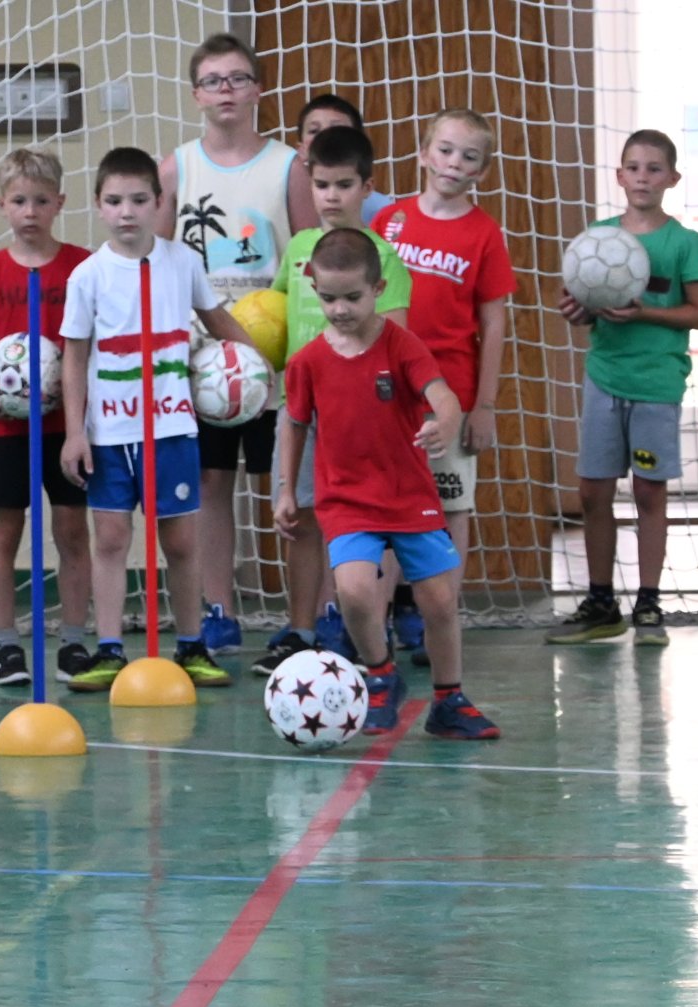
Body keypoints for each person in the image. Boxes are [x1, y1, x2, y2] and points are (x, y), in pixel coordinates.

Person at [277, 229, 500, 740]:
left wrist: (445, 421)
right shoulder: (308, 361)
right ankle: (380, 674)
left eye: (351, 297)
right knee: (355, 592)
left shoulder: (402, 345)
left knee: (440, 601)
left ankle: (449, 699)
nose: (339, 309)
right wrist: (288, 489)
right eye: (328, 297)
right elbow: (294, 423)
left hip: (409, 496)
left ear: (378, 290)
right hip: (346, 500)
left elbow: (441, 394)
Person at [60, 147, 256, 691]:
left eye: (139, 200)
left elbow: (217, 321)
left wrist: (258, 367)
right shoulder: (88, 276)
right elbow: (75, 355)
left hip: (172, 429)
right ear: (98, 205)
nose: (127, 212)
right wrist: (76, 432)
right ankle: (108, 648)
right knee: (111, 539)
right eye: (115, 200)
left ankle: (191, 645)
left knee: (182, 542)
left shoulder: (182, 261)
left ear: (159, 202)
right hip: (110, 434)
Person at [158, 31, 316, 657]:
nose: (226, 90)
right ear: (197, 93)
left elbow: (309, 259)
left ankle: (310, 613)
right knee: (209, 485)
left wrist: (299, 356)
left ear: (258, 88)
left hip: (276, 364)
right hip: (203, 364)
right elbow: (160, 264)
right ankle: (217, 608)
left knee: (286, 487)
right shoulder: (176, 168)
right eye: (214, 80)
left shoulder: (288, 166)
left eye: (238, 78)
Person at [252, 125, 412, 678]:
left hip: (361, 418)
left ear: (367, 187)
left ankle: (365, 626)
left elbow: (396, 339)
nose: (332, 196)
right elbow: (267, 321)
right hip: (299, 411)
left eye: (344, 184)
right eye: (322, 184)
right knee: (299, 520)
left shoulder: (384, 258)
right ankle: (300, 630)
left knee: (368, 523)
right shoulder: (298, 249)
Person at [547, 128, 698, 646]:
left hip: (656, 383)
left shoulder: (683, 242)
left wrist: (644, 312)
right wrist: (574, 310)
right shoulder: (599, 238)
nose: (643, 177)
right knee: (592, 491)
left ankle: (648, 603)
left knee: (647, 493)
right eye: (633, 168)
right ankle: (600, 600)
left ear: (672, 178)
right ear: (619, 177)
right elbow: (576, 300)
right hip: (604, 377)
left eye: (654, 168)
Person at [372, 109, 517, 665]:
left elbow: (495, 321)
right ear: (424, 152)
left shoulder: (483, 232)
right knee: (384, 513)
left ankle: (441, 624)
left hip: (450, 398)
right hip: (389, 397)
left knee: (450, 511)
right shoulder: (387, 221)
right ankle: (375, 632)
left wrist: (484, 405)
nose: (455, 163)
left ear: (483, 169)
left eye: (469, 156)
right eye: (447, 150)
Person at [0, 148, 95, 686]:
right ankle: (6, 645)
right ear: (2, 206)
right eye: (19, 201)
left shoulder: (83, 267)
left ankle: (74, 642)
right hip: (9, 427)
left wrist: (78, 403)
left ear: (59, 203)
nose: (30, 211)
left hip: (70, 427)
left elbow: (90, 344)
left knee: (71, 529)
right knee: (6, 527)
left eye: (41, 200)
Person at [295, 92, 395, 224]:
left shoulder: (382, 209)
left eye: (338, 129)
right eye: (314, 131)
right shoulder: (290, 201)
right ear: (300, 149)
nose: (326, 136)